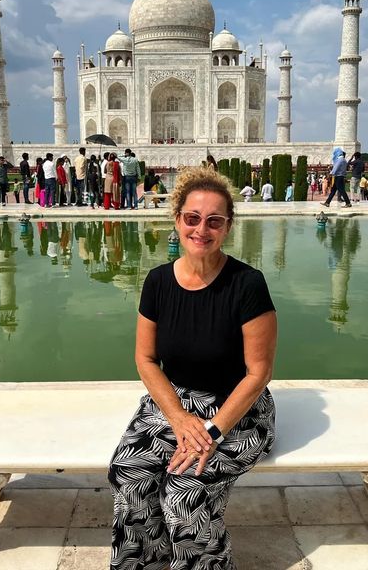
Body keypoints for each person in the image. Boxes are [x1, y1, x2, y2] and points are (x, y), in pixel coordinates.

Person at [108, 167, 277, 569]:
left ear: (228, 226)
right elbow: (146, 359)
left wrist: (211, 430)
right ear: (177, 218)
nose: (202, 229)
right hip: (176, 403)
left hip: (238, 411)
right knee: (129, 474)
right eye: (193, 218)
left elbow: (258, 373)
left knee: (185, 490)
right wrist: (180, 418)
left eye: (214, 221)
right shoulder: (157, 282)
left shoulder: (247, 284)